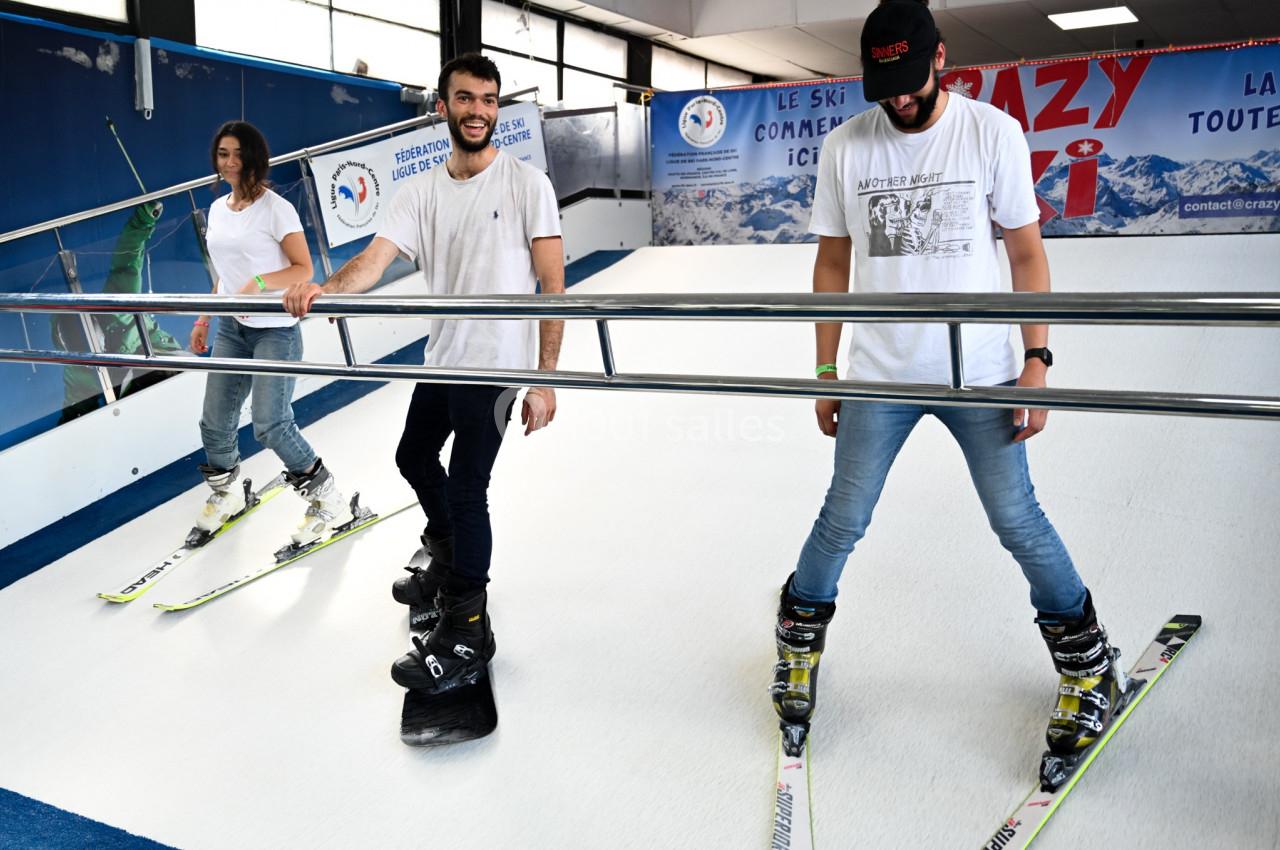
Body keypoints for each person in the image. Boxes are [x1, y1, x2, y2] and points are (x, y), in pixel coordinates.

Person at [770, 0, 1127, 776]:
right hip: (880, 372)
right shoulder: (846, 147)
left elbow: (1027, 257)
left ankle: (1090, 660)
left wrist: (1038, 361)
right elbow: (833, 265)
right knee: (843, 518)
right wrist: (827, 368)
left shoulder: (991, 132)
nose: (898, 99)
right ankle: (797, 644)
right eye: (883, 86)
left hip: (982, 373)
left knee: (1017, 519)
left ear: (940, 61)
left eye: (909, 82)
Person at [283, 53, 564, 695]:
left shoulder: (527, 185)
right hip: (445, 359)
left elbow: (553, 287)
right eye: (466, 99)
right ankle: (446, 552)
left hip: (496, 367)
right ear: (443, 107)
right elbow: (376, 261)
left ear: (498, 109)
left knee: (468, 488)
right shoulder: (421, 192)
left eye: (490, 101)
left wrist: (545, 380)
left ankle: (468, 627)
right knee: (413, 455)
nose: (478, 111)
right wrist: (325, 289)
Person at [191, 120, 353, 546]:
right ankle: (226, 495)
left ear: (254, 158)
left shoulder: (276, 208)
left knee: (271, 424)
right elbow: (225, 273)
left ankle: (330, 502)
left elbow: (304, 268)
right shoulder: (217, 209)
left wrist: (260, 283)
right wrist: (204, 318)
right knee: (214, 421)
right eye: (223, 154)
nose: (229, 162)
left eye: (237, 154)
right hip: (230, 325)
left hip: (275, 330)